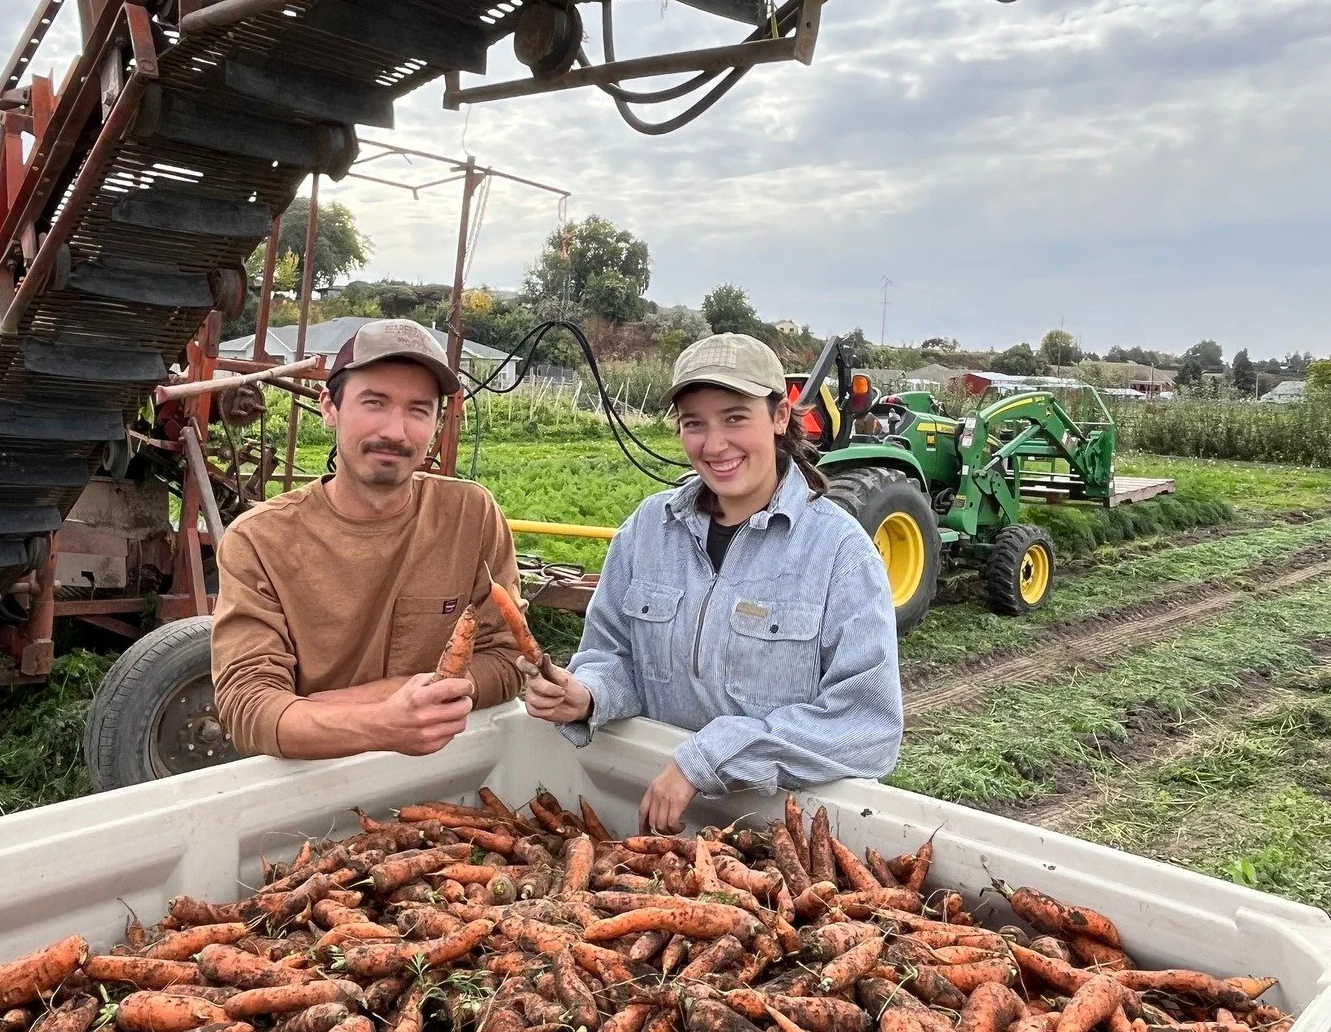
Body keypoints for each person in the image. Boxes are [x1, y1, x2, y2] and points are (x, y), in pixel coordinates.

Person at [524, 333, 902, 831]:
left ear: (780, 417)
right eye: (693, 424)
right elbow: (616, 657)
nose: (714, 444)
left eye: (735, 418)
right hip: (655, 818)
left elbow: (865, 727)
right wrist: (587, 693)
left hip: (781, 835)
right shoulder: (647, 531)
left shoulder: (839, 553)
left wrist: (709, 757)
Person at [212, 320, 523, 759]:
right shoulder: (260, 540)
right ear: (329, 407)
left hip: (442, 774)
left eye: (419, 409)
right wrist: (384, 722)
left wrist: (376, 697)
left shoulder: (469, 517)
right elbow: (248, 706)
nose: (396, 432)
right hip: (306, 778)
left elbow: (510, 659)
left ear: (436, 422)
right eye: (374, 403)